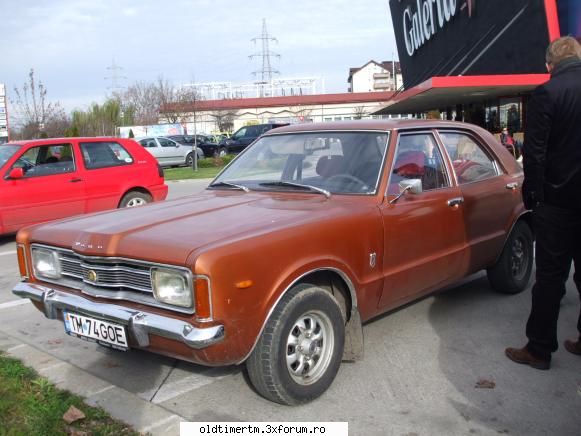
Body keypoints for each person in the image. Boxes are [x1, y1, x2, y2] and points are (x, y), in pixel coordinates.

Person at [505, 36, 581, 370]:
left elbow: (533, 155)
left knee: (550, 277)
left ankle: (539, 349)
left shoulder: (547, 94)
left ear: (549, 64)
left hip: (557, 201)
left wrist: (532, 197)